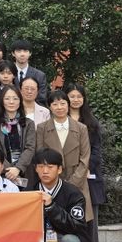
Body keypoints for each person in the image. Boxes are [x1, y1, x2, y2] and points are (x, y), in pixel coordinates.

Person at [34, 148, 89, 242]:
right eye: (41, 166)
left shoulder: (73, 193)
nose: (45, 171)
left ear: (59, 169)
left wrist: (51, 206)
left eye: (50, 167)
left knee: (70, 241)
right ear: (36, 169)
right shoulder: (29, 191)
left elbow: (77, 227)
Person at [36, 90, 94, 225]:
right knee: (51, 223)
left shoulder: (81, 128)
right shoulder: (42, 128)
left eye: (63, 103)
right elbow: (40, 155)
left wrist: (72, 183)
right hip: (51, 183)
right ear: (49, 107)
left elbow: (85, 158)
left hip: (77, 181)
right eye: (55, 104)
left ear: (68, 105)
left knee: (77, 223)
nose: (59, 107)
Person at [65, 83, 105, 242]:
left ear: (84, 99)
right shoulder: (60, 120)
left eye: (79, 96)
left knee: (90, 219)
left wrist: (85, 168)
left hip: (88, 176)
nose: (75, 100)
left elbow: (96, 150)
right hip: (66, 174)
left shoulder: (91, 122)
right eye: (72, 96)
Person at [0, 85, 36, 189]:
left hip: (24, 172)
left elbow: (30, 148)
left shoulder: (29, 123)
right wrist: (9, 170)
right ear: (2, 101)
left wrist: (18, 168)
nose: (11, 102)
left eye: (15, 98)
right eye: (7, 98)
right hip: (2, 173)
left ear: (20, 101)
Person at [12, 39, 48, 104]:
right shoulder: (8, 73)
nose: (22, 54)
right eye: (19, 51)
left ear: (30, 53)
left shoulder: (40, 75)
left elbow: (41, 99)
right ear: (13, 53)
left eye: (25, 51)